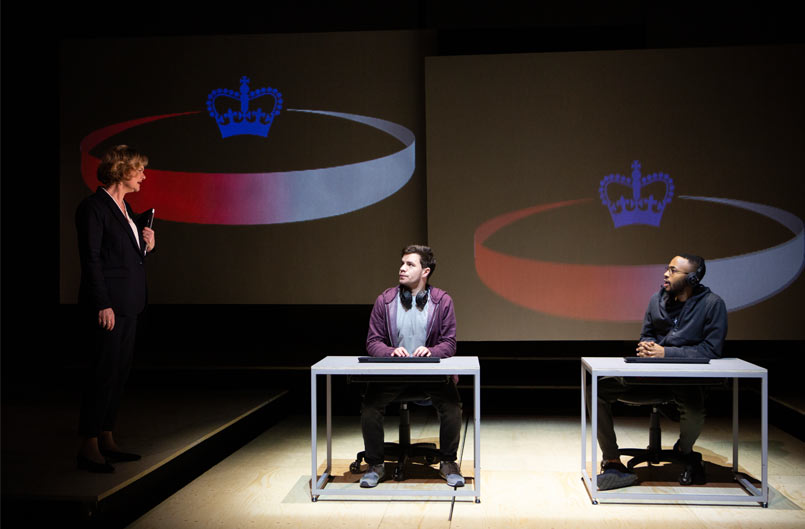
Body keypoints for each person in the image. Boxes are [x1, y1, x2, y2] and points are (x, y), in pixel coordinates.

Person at [592, 254, 727, 490]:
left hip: (685, 380)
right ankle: (612, 461)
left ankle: (684, 452)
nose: (666, 274)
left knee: (695, 412)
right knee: (597, 389)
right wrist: (646, 346)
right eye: (667, 268)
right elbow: (647, 334)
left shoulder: (712, 304)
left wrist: (667, 353)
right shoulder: (657, 299)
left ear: (693, 278)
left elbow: (711, 350)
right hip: (649, 377)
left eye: (674, 271)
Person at [75, 145, 156, 473]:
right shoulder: (93, 208)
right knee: (102, 372)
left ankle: (106, 436)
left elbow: (129, 257)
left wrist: (147, 243)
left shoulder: (126, 208)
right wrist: (102, 303)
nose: (143, 176)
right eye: (139, 170)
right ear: (122, 171)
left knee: (119, 372)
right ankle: (88, 444)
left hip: (130, 302)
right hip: (109, 305)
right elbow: (92, 259)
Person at [359, 245, 464, 488]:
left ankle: (448, 462)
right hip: (393, 373)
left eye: (410, 264)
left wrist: (433, 351)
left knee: (452, 407)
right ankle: (375, 464)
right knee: (370, 407)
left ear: (425, 271)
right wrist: (389, 352)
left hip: (431, 374)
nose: (402, 268)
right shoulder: (384, 300)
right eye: (402, 263)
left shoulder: (442, 301)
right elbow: (372, 342)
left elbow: (449, 343)